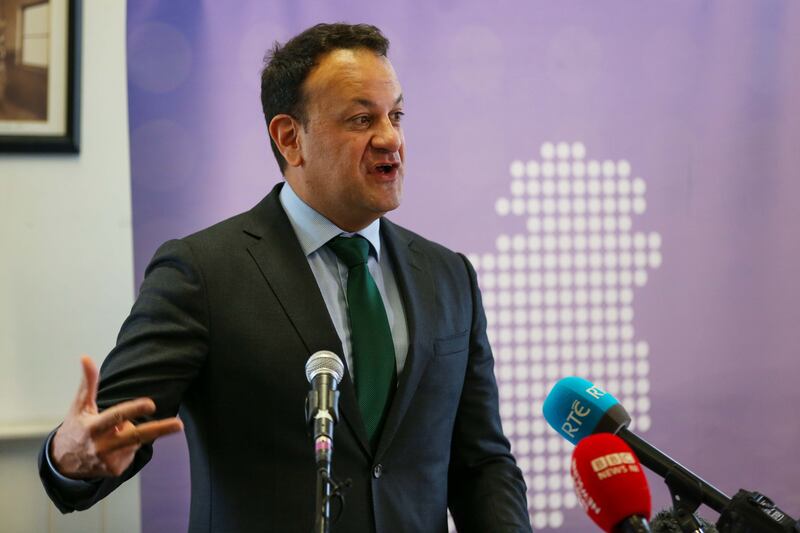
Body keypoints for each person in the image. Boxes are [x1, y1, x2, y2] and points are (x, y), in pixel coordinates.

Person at [39, 23, 532, 532]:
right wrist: (67, 458)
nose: (391, 139)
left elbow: (481, 463)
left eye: (396, 115)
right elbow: (110, 433)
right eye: (362, 119)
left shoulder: (449, 276)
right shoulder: (201, 274)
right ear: (290, 138)